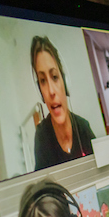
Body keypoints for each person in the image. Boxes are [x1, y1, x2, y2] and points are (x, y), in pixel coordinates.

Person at [31, 36, 97, 169]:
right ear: (40, 91)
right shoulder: (41, 136)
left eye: (54, 77)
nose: (51, 91)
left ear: (65, 83)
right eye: (43, 81)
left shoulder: (83, 128)